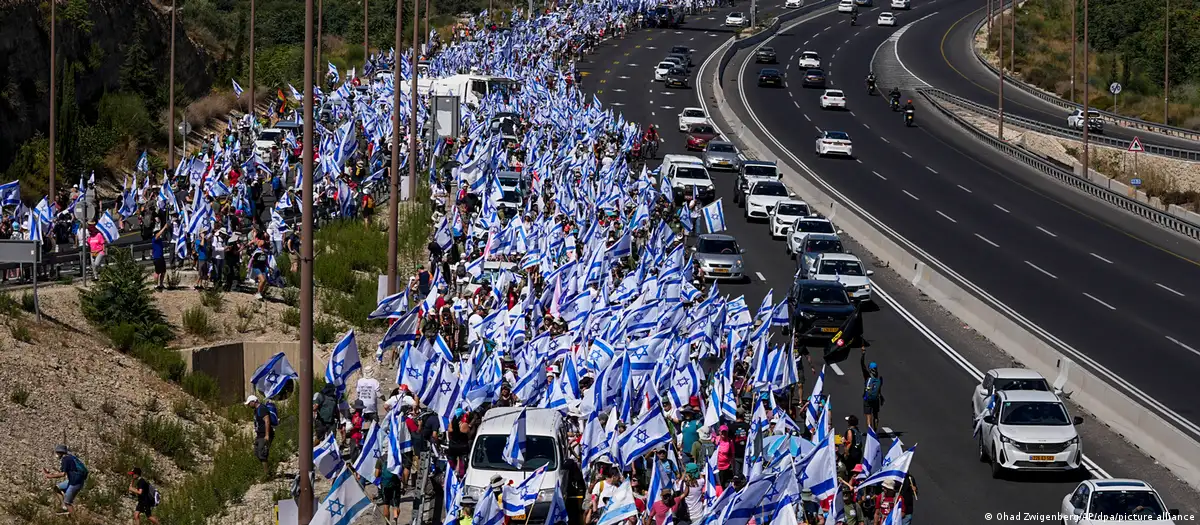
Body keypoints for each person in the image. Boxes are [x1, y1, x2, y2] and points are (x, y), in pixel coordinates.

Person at [43, 444, 87, 515]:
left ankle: (75, 519)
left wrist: (50, 476)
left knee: (68, 502)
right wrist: (51, 474)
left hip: (74, 483)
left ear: (60, 452)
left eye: (57, 452)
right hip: (75, 481)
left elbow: (62, 474)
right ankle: (64, 507)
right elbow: (65, 471)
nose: (56, 454)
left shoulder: (65, 459)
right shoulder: (70, 457)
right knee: (57, 488)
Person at [246, 395, 274, 478]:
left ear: (253, 402)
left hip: (264, 435)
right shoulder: (256, 410)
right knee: (256, 452)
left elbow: (267, 421)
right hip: (259, 435)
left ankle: (266, 475)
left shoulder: (262, 409)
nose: (248, 405)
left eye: (249, 403)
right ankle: (266, 470)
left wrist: (267, 435)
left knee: (262, 453)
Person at [861, 349, 884, 431]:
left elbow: (862, 365)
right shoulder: (879, 379)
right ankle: (875, 431)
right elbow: (879, 390)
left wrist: (863, 354)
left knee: (868, 415)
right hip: (876, 399)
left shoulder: (867, 376)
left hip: (867, 399)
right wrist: (881, 398)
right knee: (875, 415)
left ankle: (870, 433)